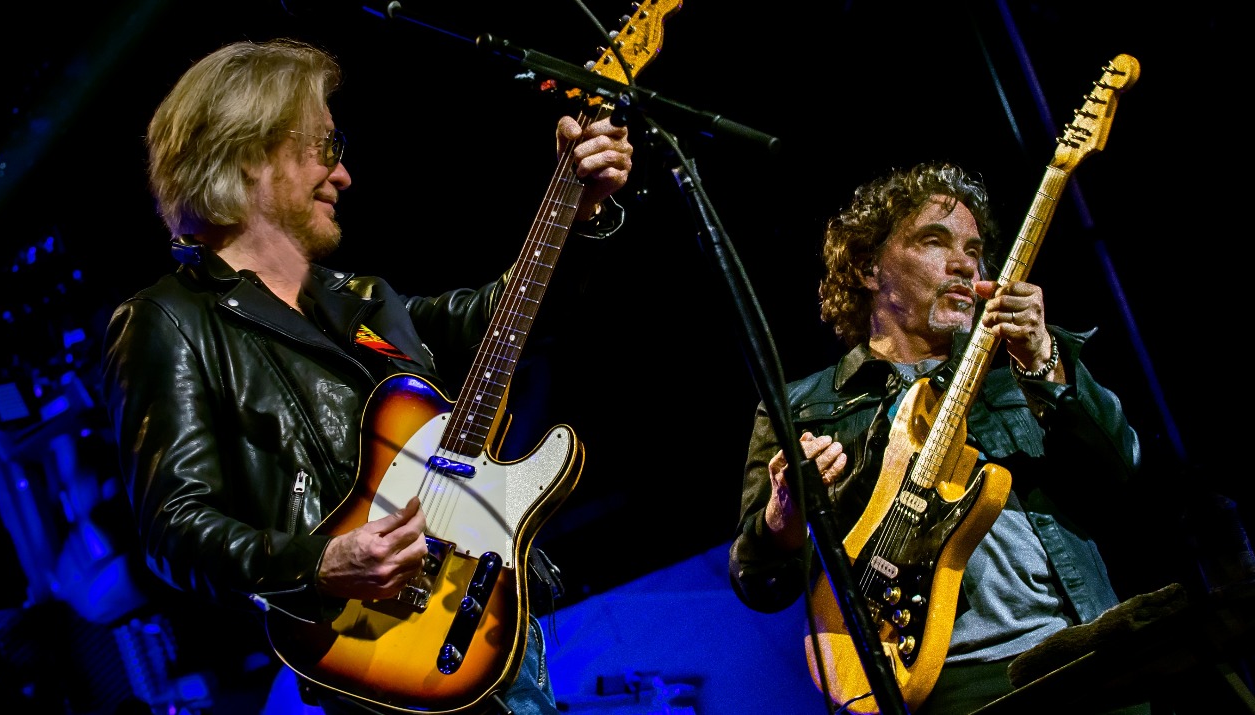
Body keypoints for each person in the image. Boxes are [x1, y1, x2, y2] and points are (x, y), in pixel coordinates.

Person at [100, 38, 633, 715]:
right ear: (249, 154)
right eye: (325, 147)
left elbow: (502, 322)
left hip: (486, 616)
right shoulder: (167, 320)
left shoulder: (364, 299)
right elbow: (174, 526)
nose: (344, 175)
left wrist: (575, 213)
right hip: (373, 651)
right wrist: (320, 562)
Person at [727, 162, 1146, 714]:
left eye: (974, 251)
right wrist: (783, 518)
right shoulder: (800, 408)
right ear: (869, 268)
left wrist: (1044, 362)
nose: (964, 265)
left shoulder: (1018, 364)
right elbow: (759, 583)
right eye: (934, 241)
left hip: (1080, 649)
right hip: (943, 685)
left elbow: (1121, 470)